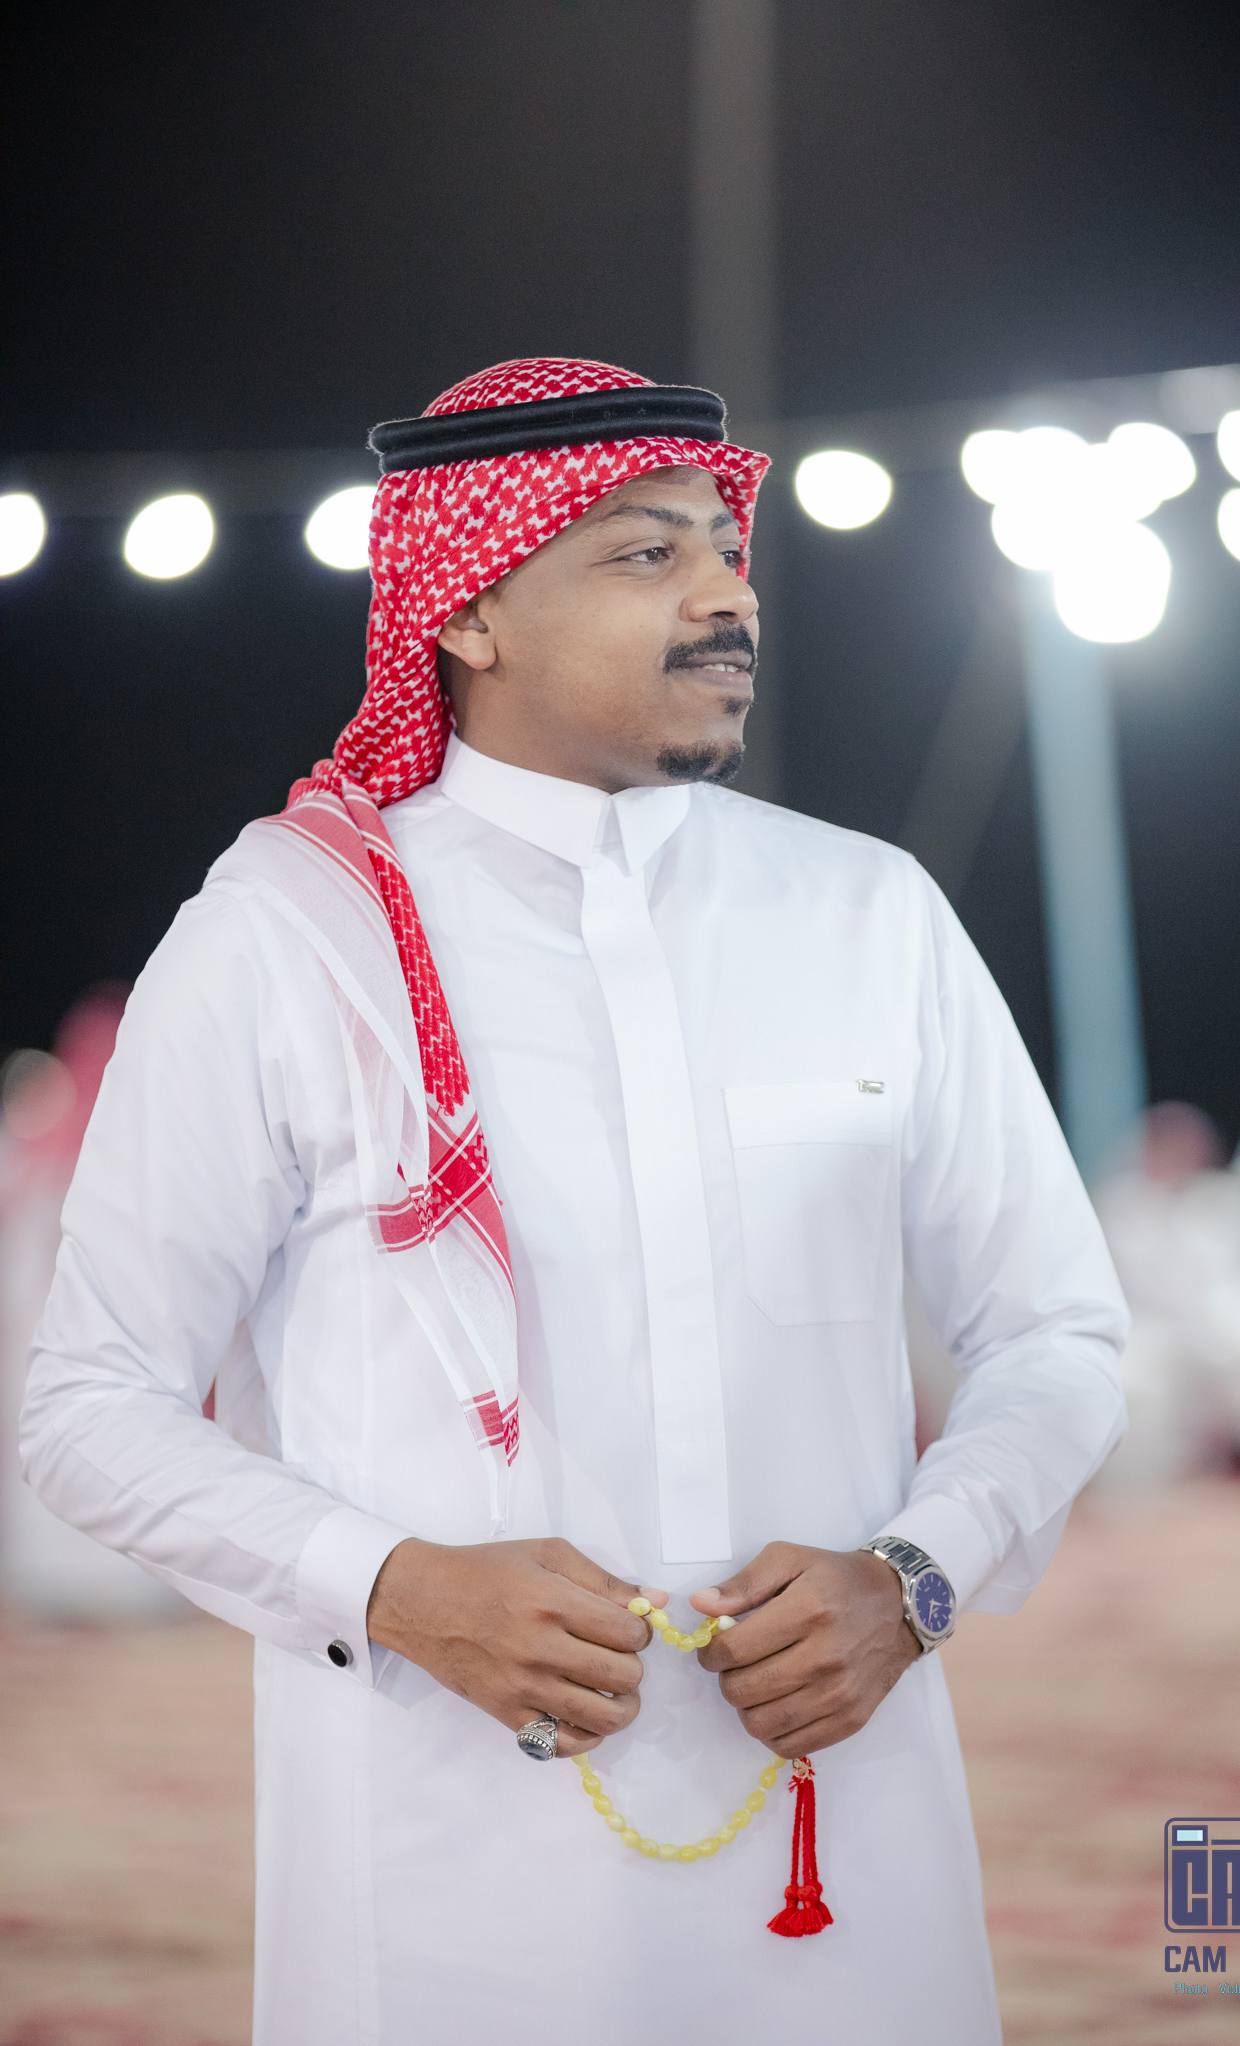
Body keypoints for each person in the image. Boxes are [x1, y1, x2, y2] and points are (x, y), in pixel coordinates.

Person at [20, 357, 1127, 2046]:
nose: (724, 596)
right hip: (444, 1852)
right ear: (468, 611)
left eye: (724, 551)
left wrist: (918, 1574)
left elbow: (1056, 1331)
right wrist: (392, 1586)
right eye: (644, 555)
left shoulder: (867, 914)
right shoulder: (288, 939)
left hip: (841, 1816)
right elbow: (89, 1405)